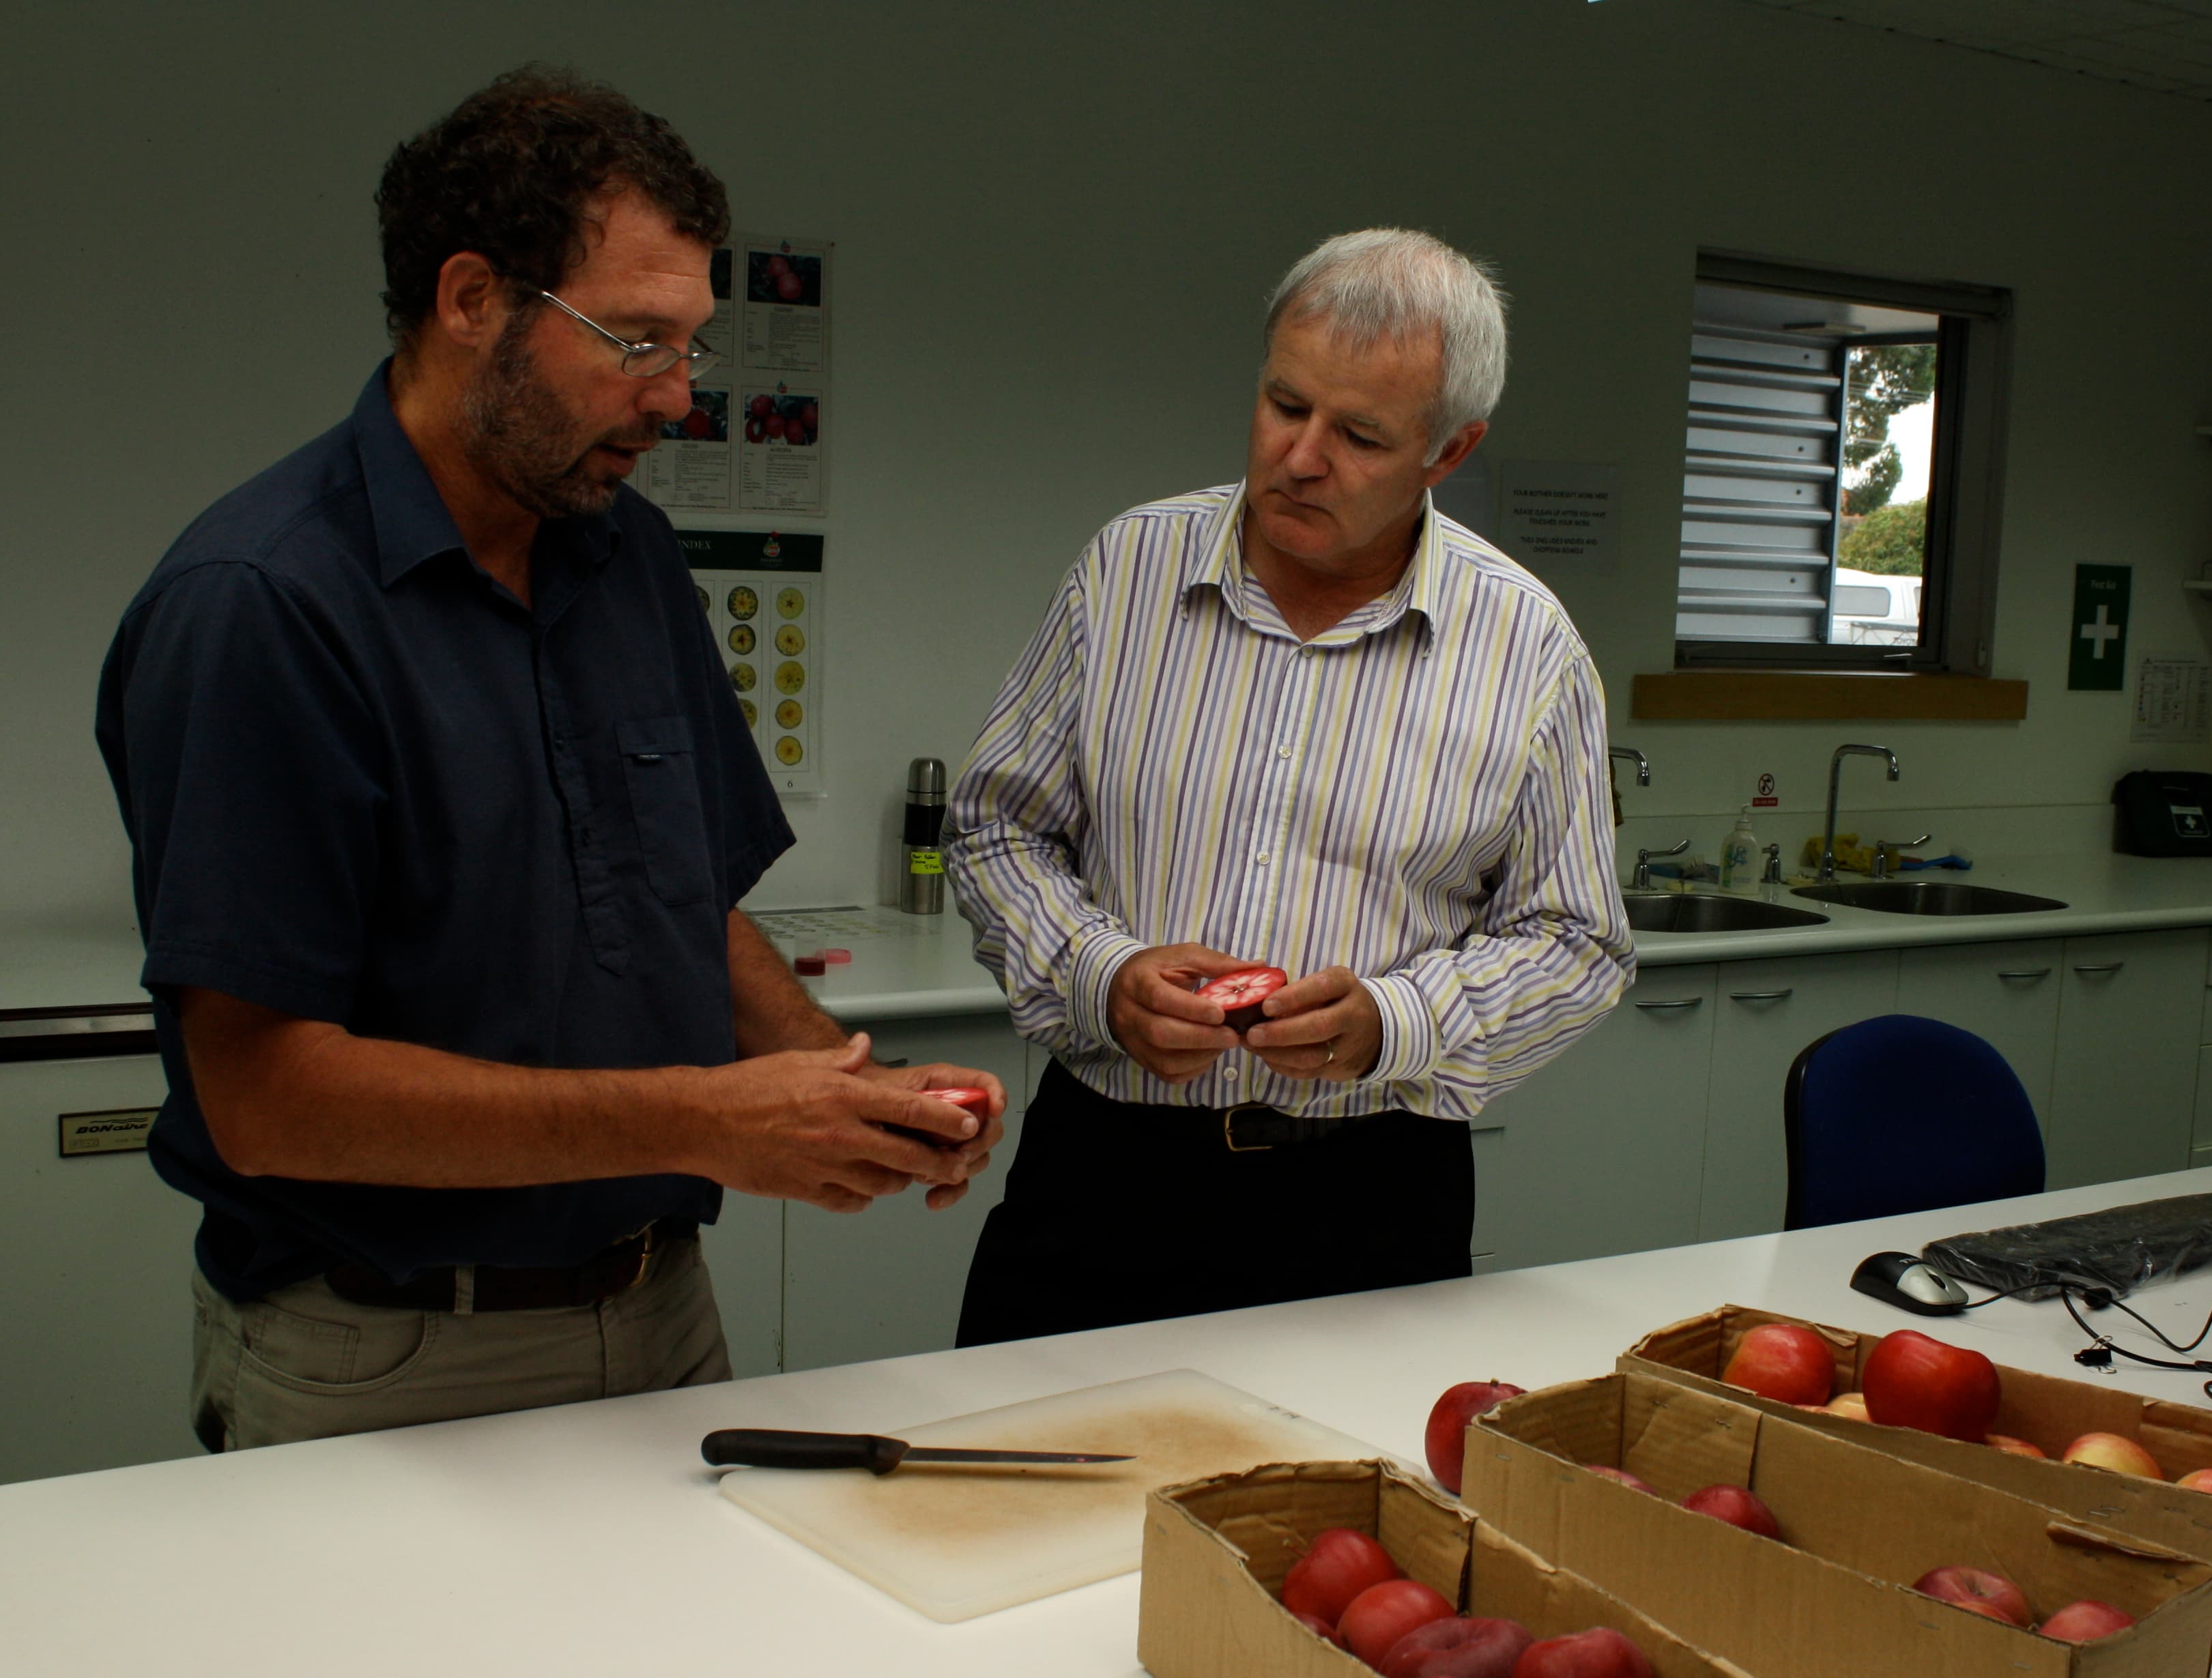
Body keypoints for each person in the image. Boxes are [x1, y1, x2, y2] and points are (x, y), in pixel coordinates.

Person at [94, 67, 1005, 1451]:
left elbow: (678, 909)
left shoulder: (623, 552)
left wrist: (848, 1087)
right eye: (636, 341)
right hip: (385, 1357)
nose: (680, 398)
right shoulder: (262, 605)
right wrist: (704, 1120)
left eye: (693, 345)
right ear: (472, 302)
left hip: (660, 1314)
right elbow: (266, 1099)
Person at [947, 229, 1633, 1346]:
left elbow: (1575, 940)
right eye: (1282, 403)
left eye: (1359, 434)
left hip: (1366, 1198)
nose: (1299, 457)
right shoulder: (1127, 572)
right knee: (1020, 1492)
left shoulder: (1525, 644)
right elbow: (994, 830)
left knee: (1346, 1514)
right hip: (1106, 1176)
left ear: (1449, 451)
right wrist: (1099, 975)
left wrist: (1397, 1023)